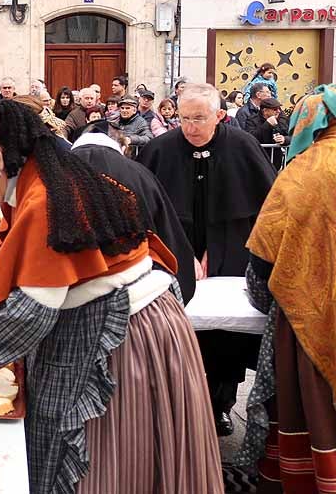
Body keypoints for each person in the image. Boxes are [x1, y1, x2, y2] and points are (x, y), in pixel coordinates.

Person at [0, 98, 222, 494]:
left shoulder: (44, 199)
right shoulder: (40, 178)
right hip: (135, 322)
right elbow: (27, 281)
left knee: (110, 467)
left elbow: (24, 320)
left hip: (126, 339)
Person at [140, 82, 276, 436]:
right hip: (173, 253)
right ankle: (176, 405)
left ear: (219, 115)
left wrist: (215, 253)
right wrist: (184, 256)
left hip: (230, 252)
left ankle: (220, 405)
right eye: (184, 119)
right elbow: (148, 214)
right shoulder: (160, 149)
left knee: (224, 339)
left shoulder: (242, 146)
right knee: (178, 335)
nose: (190, 127)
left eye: (199, 118)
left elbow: (264, 209)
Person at [237, 83, 336, 492]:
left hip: (309, 311)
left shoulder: (303, 171)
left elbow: (264, 250)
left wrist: (264, 296)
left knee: (306, 402)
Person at [71, 131, 198, 304]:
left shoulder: (51, 175)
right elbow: (167, 234)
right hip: (139, 296)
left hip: (71, 292)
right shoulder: (140, 174)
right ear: (123, 148)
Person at [249, 97, 290, 169]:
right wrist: (267, 124)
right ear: (265, 111)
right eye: (275, 109)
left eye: (279, 108)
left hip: (276, 161)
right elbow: (251, 138)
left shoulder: (282, 119)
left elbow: (291, 135)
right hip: (258, 160)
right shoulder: (252, 120)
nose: (278, 111)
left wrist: (284, 139)